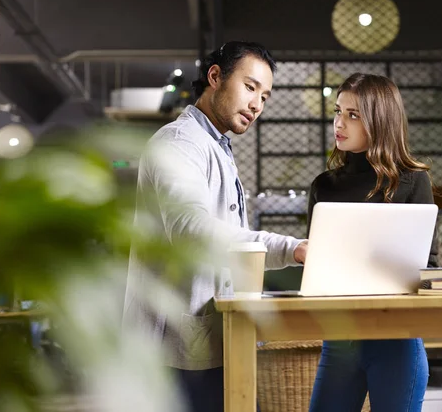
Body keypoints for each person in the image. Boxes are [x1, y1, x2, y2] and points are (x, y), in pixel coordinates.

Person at [123, 41, 307, 412]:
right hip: (173, 350)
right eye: (250, 87)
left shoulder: (215, 146)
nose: (257, 104)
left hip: (209, 339)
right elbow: (191, 229)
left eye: (265, 96)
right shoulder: (180, 143)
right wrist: (290, 247)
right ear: (215, 77)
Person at [307, 73, 437, 412]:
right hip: (339, 342)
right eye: (338, 111)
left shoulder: (413, 180)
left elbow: (428, 265)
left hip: (397, 342)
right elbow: (316, 263)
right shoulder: (324, 186)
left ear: (379, 121)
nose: (339, 123)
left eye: (353, 114)